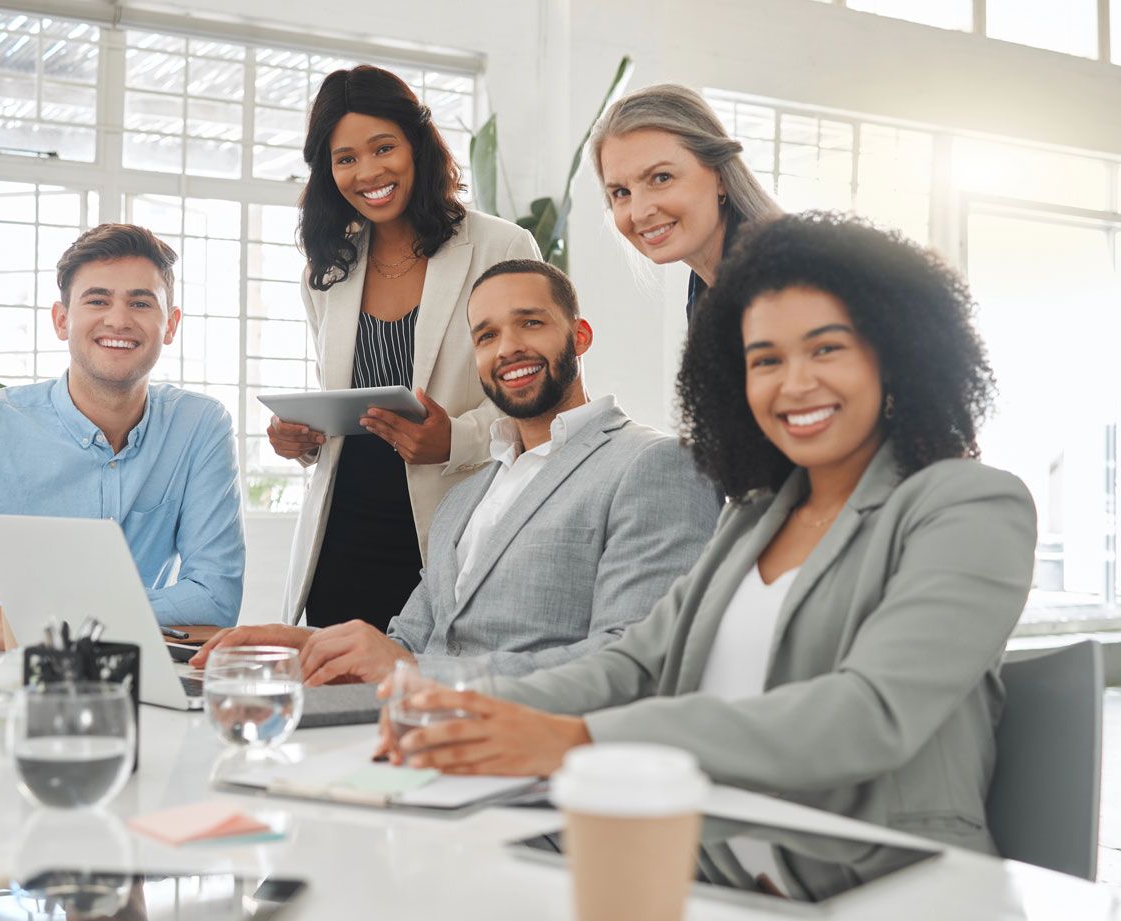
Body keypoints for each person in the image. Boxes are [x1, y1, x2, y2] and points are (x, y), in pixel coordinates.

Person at [385, 214, 1037, 875]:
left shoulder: (970, 506)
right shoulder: (753, 518)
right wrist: (466, 708)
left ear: (896, 354)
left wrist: (579, 737)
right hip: (718, 871)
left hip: (889, 882)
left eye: (827, 349)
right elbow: (633, 664)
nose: (795, 382)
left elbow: (867, 713)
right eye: (766, 360)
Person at [193, 260, 719, 682]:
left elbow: (636, 664)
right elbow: (406, 645)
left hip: (530, 758)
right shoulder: (464, 497)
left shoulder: (653, 463)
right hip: (411, 740)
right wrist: (305, 646)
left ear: (579, 336)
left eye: (530, 322)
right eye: (486, 336)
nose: (508, 347)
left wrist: (415, 672)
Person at [0, 224, 245, 648]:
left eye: (140, 302)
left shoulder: (200, 426)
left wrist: (61, 619)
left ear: (169, 325)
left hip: (141, 675)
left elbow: (215, 599)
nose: (118, 319)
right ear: (62, 321)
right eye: (97, 300)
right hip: (0, 682)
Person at [271, 65, 541, 631]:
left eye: (383, 147)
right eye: (345, 159)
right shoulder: (326, 270)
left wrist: (455, 439)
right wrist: (302, 439)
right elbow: (343, 404)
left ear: (416, 145)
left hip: (452, 527)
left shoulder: (502, 246)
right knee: (338, 700)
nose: (367, 172)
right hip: (343, 537)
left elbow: (540, 391)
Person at [591, 83, 779, 318]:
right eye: (621, 192)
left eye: (661, 178)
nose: (639, 213)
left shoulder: (782, 279)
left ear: (720, 177)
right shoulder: (704, 290)